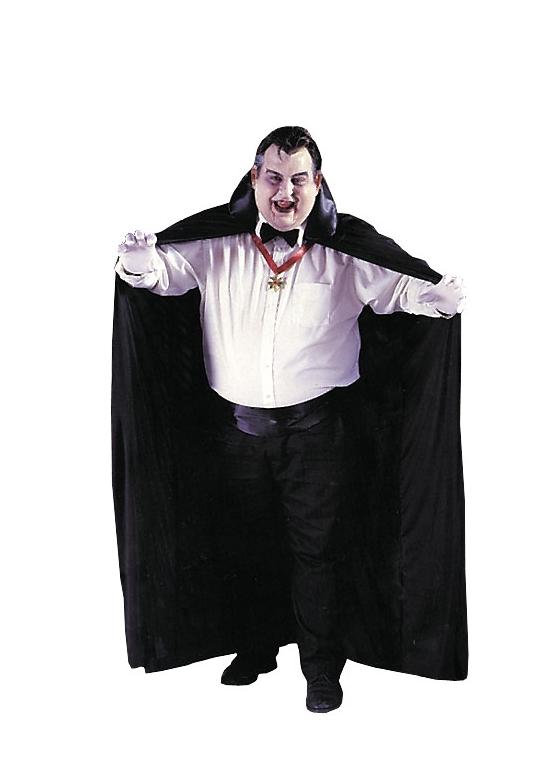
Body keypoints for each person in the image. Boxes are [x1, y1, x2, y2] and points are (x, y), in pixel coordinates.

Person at [112, 126, 466, 713]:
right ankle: (255, 648)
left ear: (317, 183)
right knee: (244, 546)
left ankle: (321, 668)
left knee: (316, 551)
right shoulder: (217, 245)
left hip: (318, 433)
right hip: (237, 431)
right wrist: (138, 263)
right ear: (254, 179)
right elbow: (163, 277)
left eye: (298, 179)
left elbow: (396, 289)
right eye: (273, 177)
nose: (285, 192)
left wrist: (434, 300)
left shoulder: (345, 250)